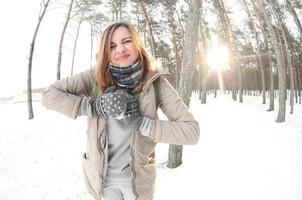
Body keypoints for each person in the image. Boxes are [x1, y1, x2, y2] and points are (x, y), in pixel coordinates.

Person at [41, 21, 199, 200]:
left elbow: (191, 132)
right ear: (105, 52)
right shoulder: (95, 77)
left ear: (137, 43)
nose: (120, 49)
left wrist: (142, 124)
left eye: (126, 41)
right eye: (112, 45)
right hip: (102, 182)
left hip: (138, 184)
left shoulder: (156, 83)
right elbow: (49, 95)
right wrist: (94, 106)